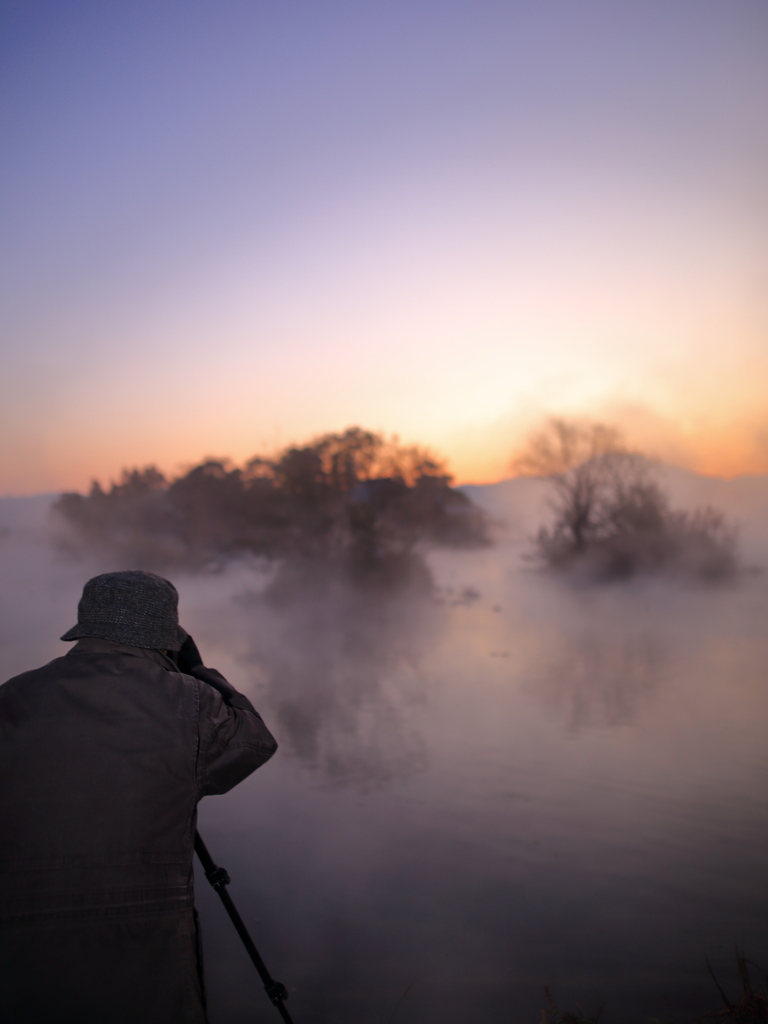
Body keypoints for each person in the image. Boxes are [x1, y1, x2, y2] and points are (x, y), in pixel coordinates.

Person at [0, 570, 278, 1024]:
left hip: (21, 951)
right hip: (145, 949)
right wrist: (200, 671)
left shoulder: (10, 697)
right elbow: (255, 743)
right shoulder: (189, 702)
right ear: (166, 635)